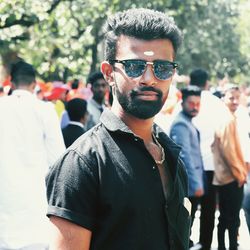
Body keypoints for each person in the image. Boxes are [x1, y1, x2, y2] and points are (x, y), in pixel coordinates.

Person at [46, 8, 191, 250]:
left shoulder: (170, 153)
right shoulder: (82, 164)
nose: (149, 78)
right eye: (134, 66)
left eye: (162, 67)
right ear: (109, 74)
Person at [0, 61, 65, 249]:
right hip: (36, 205)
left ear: (10, 83)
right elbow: (57, 160)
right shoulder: (46, 110)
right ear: (34, 84)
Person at [190, 68, 228, 250]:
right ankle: (205, 244)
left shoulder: (189, 102)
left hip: (192, 165)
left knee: (187, 208)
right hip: (212, 163)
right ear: (206, 82)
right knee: (208, 210)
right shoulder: (217, 103)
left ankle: (185, 241)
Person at [212, 84, 248, 250]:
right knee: (231, 219)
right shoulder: (226, 119)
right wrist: (240, 174)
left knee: (226, 218)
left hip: (227, 176)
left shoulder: (228, 117)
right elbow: (229, 152)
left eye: (236, 98)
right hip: (230, 177)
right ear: (223, 99)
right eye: (230, 98)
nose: (234, 101)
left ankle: (223, 246)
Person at [170, 85, 204, 248]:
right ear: (182, 102)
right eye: (191, 103)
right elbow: (185, 157)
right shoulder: (180, 124)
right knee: (185, 223)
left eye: (198, 103)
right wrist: (196, 184)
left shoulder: (187, 122)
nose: (195, 107)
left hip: (192, 183)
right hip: (188, 185)